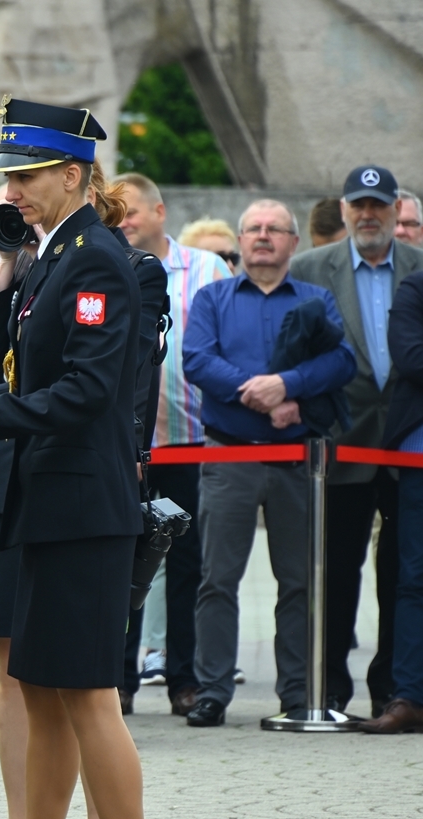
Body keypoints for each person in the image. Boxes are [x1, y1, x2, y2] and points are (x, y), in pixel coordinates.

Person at [0, 97, 165, 819]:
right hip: (46, 500)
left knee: (85, 696)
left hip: (81, 506)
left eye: (27, 175)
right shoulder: (50, 257)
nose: (13, 190)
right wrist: (7, 265)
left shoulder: (99, 261)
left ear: (74, 175)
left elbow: (88, 389)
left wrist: (1, 411)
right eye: (9, 175)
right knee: (39, 691)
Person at [182, 200, 356, 726]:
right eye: (253, 228)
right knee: (217, 579)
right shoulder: (213, 298)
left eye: (274, 229)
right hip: (229, 454)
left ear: (292, 243)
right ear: (241, 239)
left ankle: (297, 692)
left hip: (296, 462)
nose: (262, 236)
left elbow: (342, 360)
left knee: (298, 581)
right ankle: (212, 690)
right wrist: (258, 392)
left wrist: (289, 384)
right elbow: (197, 359)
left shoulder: (315, 300)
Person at [290, 165, 423, 717]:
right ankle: (329, 690)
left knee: (403, 570)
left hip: (407, 441)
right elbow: (296, 351)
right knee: (336, 570)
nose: (369, 215)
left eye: (378, 205)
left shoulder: (419, 268)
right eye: (359, 205)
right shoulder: (310, 268)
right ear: (344, 210)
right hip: (340, 443)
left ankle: (393, 687)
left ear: (396, 211)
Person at [116, 172, 232, 718]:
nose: (123, 221)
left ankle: (184, 678)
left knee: (187, 563)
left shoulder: (208, 269)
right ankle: (118, 679)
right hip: (125, 446)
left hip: (188, 442)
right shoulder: (106, 264)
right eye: (115, 212)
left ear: (160, 212)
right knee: (122, 562)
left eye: (131, 211)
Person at [367, 268, 423, 732]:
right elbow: (411, 357)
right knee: (415, 577)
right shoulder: (416, 287)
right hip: (418, 454)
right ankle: (410, 696)